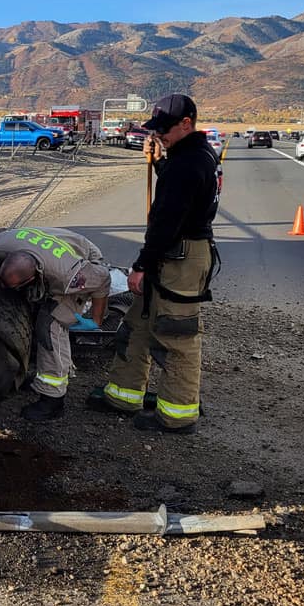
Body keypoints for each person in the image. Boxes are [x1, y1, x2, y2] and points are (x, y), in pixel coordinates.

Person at [91, 93, 220, 433]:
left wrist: (141, 265)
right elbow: (183, 190)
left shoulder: (189, 162)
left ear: (186, 123)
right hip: (173, 253)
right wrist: (159, 162)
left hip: (179, 257)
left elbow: (167, 220)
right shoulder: (191, 155)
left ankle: (177, 416)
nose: (158, 134)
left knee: (176, 336)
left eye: (164, 129)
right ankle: (123, 395)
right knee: (138, 323)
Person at [0, 226, 113, 421]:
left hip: (84, 259)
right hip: (54, 251)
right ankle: (38, 375)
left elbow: (102, 278)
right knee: (29, 310)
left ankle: (53, 400)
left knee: (50, 326)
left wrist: (96, 320)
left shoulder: (68, 277)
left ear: (34, 276)